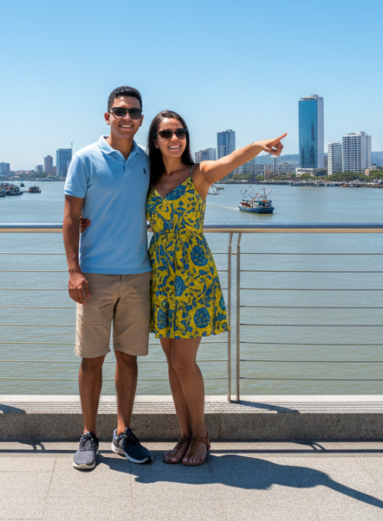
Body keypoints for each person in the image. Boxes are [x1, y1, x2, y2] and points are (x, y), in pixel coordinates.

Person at [146, 110, 285, 466]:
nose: (174, 138)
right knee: (171, 362)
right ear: (156, 139)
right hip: (160, 273)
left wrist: (257, 144)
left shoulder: (200, 173)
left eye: (180, 132)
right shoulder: (149, 179)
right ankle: (185, 435)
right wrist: (86, 219)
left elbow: (232, 160)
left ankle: (202, 436)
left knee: (183, 360)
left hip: (192, 273)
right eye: (166, 133)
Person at [63, 86, 154, 471]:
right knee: (91, 359)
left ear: (141, 118)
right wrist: (74, 270)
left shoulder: (149, 162)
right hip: (95, 275)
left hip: (138, 273)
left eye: (134, 112)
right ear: (107, 116)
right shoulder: (84, 158)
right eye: (120, 111)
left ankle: (123, 432)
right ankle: (88, 435)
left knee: (128, 358)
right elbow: (70, 218)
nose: (127, 117)